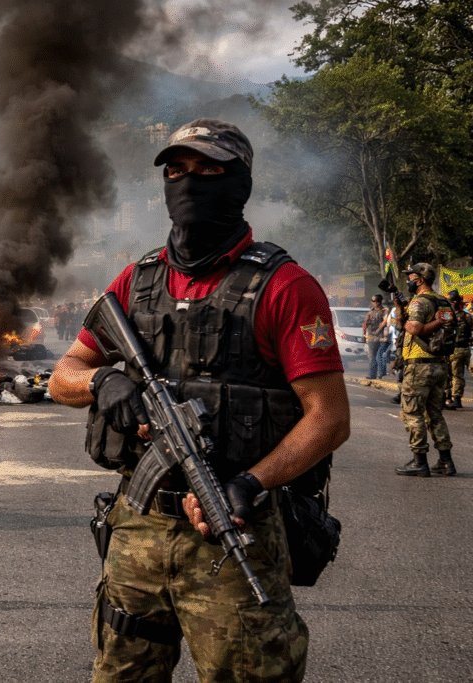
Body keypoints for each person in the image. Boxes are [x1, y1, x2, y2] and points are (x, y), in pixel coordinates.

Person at [48, 119, 350, 683]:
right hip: (136, 529)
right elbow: (63, 373)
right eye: (177, 171)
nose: (189, 182)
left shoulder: (284, 287)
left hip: (233, 530)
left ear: (239, 184)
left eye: (209, 170)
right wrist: (100, 383)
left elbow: (329, 419)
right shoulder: (135, 283)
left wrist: (251, 482)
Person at [394, 264, 455, 476]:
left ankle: (419, 461)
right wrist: (401, 308)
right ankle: (446, 461)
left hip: (419, 365)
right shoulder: (442, 300)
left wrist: (413, 321)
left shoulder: (419, 302)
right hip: (440, 365)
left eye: (411, 277)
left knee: (412, 414)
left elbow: (414, 328)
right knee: (435, 414)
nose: (408, 281)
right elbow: (446, 321)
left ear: (420, 280)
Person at [444, 290, 472, 410]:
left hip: (455, 350)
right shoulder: (467, 316)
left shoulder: (448, 316)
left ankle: (457, 400)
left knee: (456, 376)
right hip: (467, 349)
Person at [363, 294, 389, 379]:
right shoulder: (370, 312)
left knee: (379, 356)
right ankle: (372, 374)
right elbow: (365, 324)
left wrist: (377, 331)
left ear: (380, 301)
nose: (375, 303)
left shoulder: (384, 310)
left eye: (376, 301)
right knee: (372, 357)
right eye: (373, 301)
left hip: (381, 337)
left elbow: (385, 322)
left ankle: (381, 373)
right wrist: (364, 334)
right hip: (371, 337)